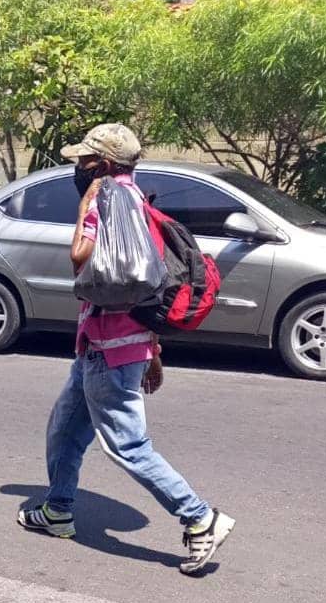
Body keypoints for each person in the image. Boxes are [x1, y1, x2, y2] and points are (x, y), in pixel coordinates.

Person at [17, 123, 235, 575]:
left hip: (110, 348)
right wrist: (152, 349)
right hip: (109, 343)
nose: (78, 167)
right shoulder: (137, 200)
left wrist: (83, 203)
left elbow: (81, 256)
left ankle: (199, 518)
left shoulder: (105, 198)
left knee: (128, 446)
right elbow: (147, 281)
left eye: (84, 160)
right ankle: (58, 510)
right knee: (65, 429)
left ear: (103, 164)